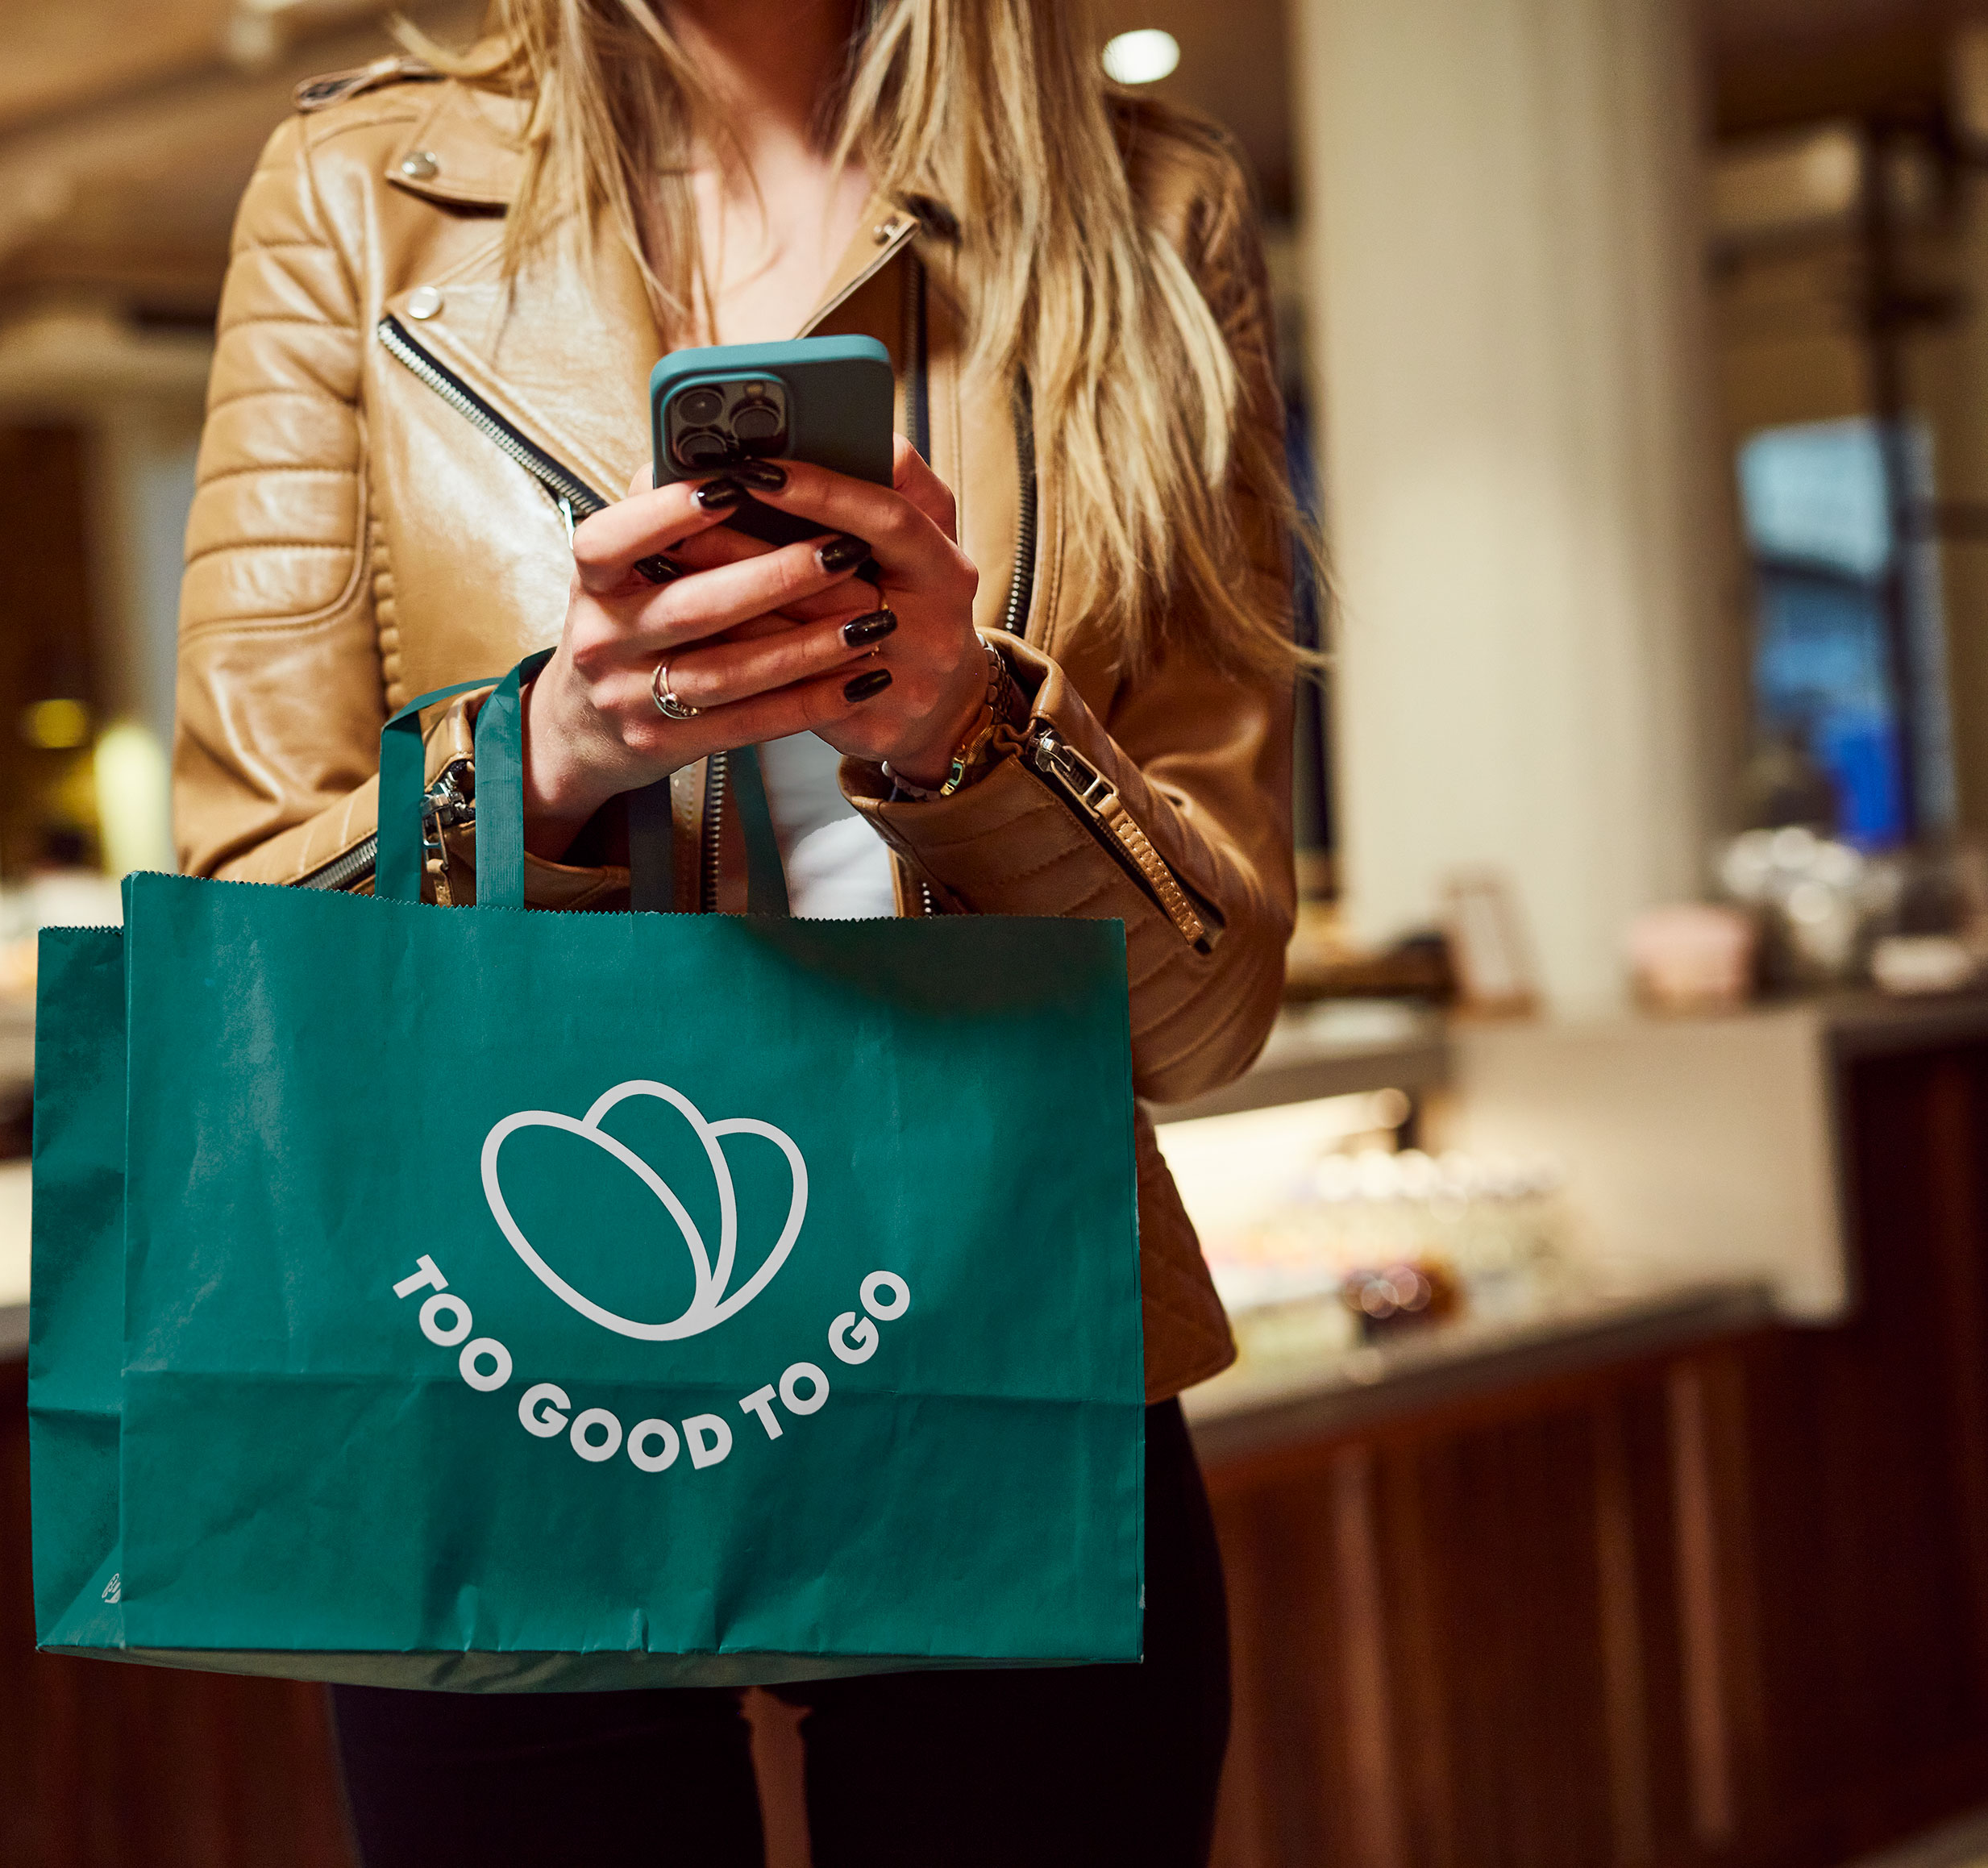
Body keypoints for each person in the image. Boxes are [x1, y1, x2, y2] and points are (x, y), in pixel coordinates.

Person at [171, 0, 1299, 1859]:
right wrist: (551, 745)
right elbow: (253, 942)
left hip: (1003, 1327)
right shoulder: (356, 197)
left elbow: (1206, 1010)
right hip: (504, 1321)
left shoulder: (1142, 212)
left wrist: (969, 727)